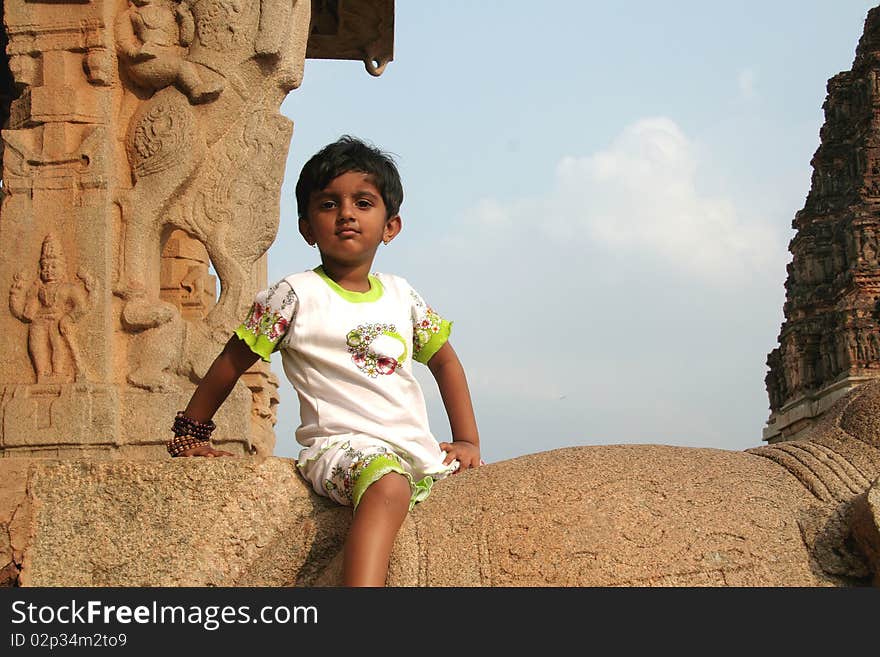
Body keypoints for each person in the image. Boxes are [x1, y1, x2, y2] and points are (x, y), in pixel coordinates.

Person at [167, 135, 481, 586]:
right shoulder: (294, 296)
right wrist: (188, 433)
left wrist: (466, 440)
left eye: (363, 202)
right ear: (307, 227)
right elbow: (231, 362)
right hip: (341, 448)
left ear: (391, 226)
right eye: (329, 204)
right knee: (388, 485)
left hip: (412, 446)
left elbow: (446, 363)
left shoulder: (402, 295)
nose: (347, 213)